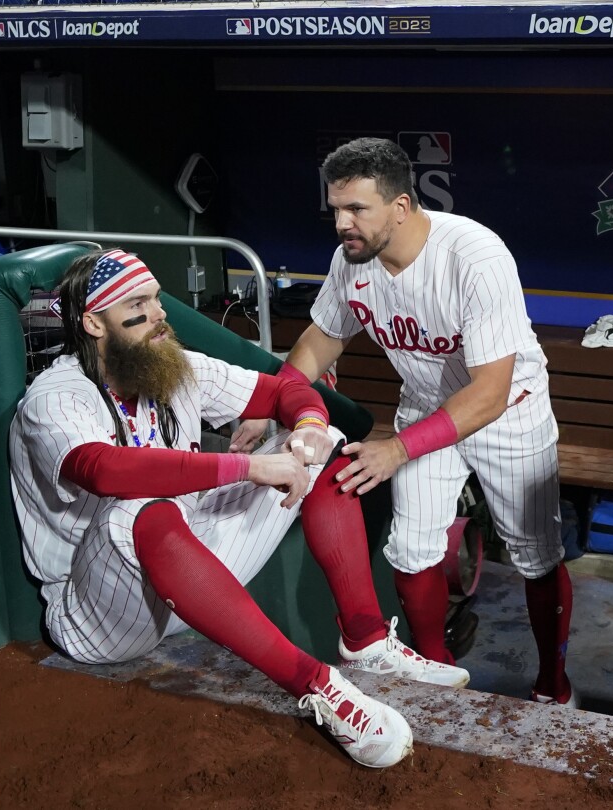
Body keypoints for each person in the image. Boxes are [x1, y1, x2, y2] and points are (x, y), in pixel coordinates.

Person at [10, 249, 471, 770]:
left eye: (157, 299)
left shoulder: (173, 368)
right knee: (138, 508)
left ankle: (364, 639)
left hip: (188, 577)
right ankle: (318, 688)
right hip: (104, 611)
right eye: (139, 303)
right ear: (94, 322)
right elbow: (106, 471)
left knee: (326, 448)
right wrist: (246, 467)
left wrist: (309, 429)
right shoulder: (56, 397)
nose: (161, 314)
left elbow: (286, 392)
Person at [234, 137, 575, 707]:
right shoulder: (353, 258)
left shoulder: (475, 256)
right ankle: (435, 678)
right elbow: (321, 340)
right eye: (336, 208)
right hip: (423, 406)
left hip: (508, 413)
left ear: (401, 205)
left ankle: (553, 686)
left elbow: (489, 393)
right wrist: (271, 402)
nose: (342, 223)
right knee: (411, 550)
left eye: (357, 209)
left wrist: (396, 450)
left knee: (535, 554)